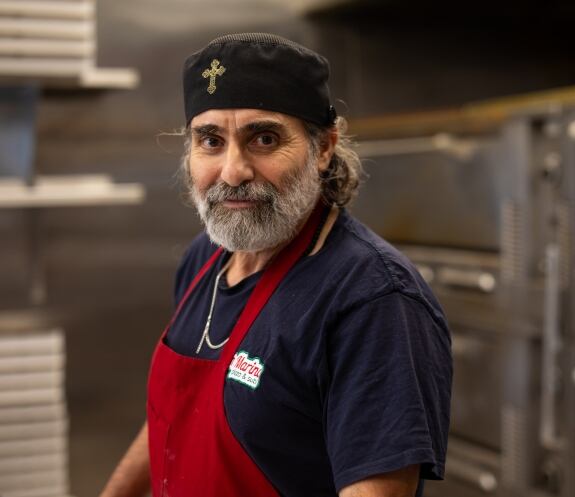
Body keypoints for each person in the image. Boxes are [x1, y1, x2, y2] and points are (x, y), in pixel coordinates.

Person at [99, 33, 452, 497]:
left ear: (323, 147)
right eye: (211, 141)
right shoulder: (203, 260)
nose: (232, 171)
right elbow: (177, 415)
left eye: (263, 139)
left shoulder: (373, 300)